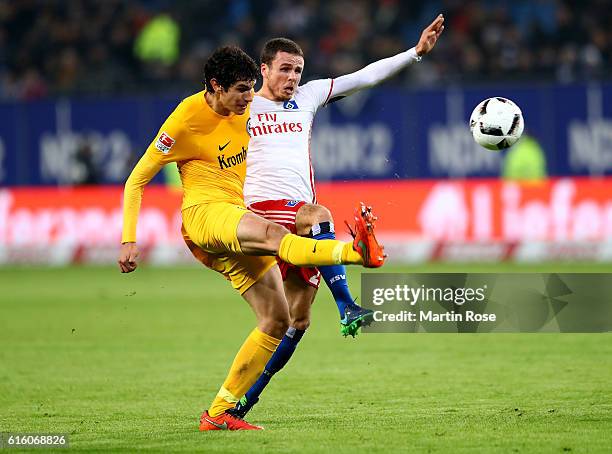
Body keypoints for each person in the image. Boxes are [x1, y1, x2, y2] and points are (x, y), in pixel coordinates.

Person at [118, 46, 385, 431]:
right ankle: (355, 253)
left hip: (235, 217)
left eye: (251, 88)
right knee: (277, 235)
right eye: (243, 90)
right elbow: (137, 180)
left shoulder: (246, 113)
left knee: (279, 320)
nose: (250, 97)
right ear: (215, 86)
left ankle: (219, 413)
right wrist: (129, 238)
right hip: (206, 215)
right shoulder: (185, 120)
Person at [229, 14, 445, 419]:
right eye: (285, 69)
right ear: (263, 69)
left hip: (300, 221)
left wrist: (415, 54)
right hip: (261, 215)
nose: (293, 77)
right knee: (321, 213)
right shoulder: (242, 104)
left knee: (297, 320)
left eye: (298, 70)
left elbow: (363, 77)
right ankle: (347, 305)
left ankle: (243, 402)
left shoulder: (308, 98)